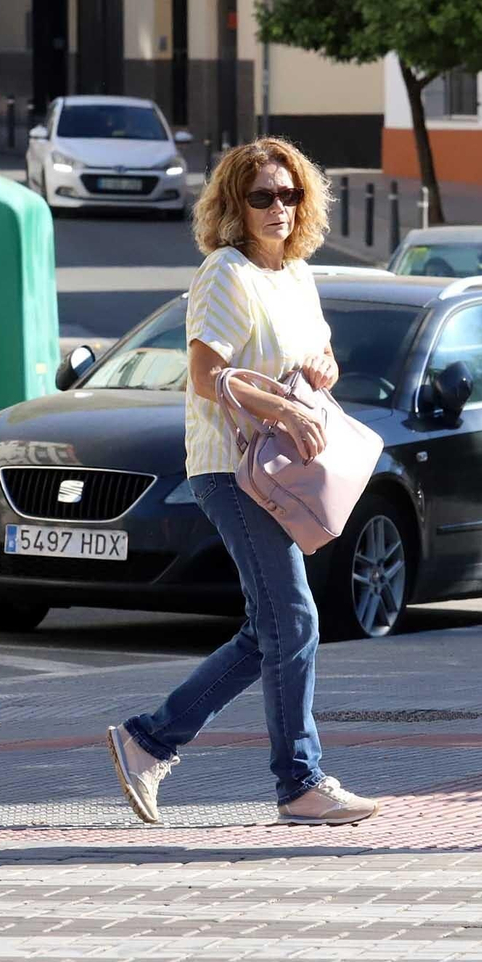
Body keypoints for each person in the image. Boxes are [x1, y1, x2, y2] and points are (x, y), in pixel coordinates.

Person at [106, 138, 379, 826]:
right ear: (235, 204)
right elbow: (205, 375)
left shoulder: (295, 273)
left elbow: (322, 361)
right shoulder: (225, 274)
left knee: (270, 630)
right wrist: (284, 404)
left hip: (280, 468)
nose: (278, 208)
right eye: (262, 196)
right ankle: (299, 782)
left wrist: (319, 375)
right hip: (232, 468)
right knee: (295, 619)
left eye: (289, 194)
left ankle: (148, 740)